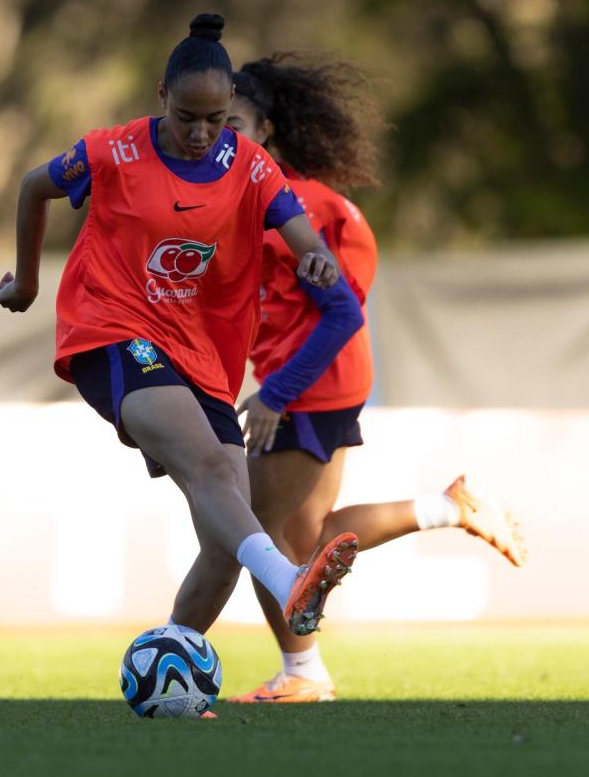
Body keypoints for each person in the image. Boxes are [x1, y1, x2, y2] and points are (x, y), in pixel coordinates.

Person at [0, 14, 362, 676]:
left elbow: (301, 232)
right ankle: (289, 582)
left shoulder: (248, 166)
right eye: (188, 116)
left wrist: (318, 261)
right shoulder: (114, 152)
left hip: (201, 359)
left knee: (225, 538)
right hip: (114, 331)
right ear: (162, 93)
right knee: (217, 475)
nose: (200, 133)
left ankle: (165, 666)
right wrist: (26, 282)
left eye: (216, 119)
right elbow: (33, 186)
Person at [225, 53, 527, 704]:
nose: (221, 136)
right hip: (313, 379)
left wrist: (276, 392)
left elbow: (338, 315)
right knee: (293, 538)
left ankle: (305, 671)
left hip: (310, 380)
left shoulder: (298, 205)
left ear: (267, 130)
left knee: (263, 535)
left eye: (236, 123)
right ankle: (449, 507)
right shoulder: (279, 199)